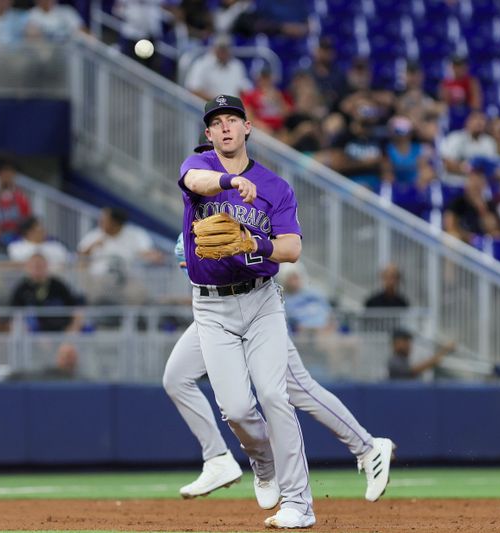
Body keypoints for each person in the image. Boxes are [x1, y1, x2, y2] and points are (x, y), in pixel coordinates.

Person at [165, 233, 394, 503]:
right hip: (214, 314)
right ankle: (217, 459)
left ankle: (367, 447)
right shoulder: (206, 209)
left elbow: (272, 247)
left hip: (257, 311)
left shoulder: (251, 208)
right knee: (176, 378)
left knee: (299, 390)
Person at [178, 94, 313, 528]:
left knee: (275, 395)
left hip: (260, 301)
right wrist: (229, 185)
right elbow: (196, 183)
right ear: (208, 134)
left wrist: (256, 243)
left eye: (232, 119)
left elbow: (291, 248)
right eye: (216, 122)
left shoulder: (276, 187)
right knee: (236, 408)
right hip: (212, 307)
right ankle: (263, 463)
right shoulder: (196, 168)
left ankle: (298, 504)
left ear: (248, 127)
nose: (225, 127)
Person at [10, 253, 83, 333]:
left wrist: (70, 332)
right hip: (32, 335)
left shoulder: (58, 285)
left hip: (60, 331)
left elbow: (75, 308)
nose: (36, 269)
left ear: (46, 266)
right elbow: (14, 314)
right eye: (33, 266)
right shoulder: (22, 288)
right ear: (27, 267)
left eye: (40, 266)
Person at [78, 207, 161, 276]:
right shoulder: (95, 235)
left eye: (104, 220)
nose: (100, 222)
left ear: (115, 222)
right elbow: (80, 255)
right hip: (99, 280)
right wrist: (93, 246)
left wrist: (153, 256)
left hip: (127, 280)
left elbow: (148, 253)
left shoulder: (135, 235)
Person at [183, 35, 251, 101]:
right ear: (214, 47)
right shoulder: (201, 64)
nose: (223, 51)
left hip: (234, 109)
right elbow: (193, 89)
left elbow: (246, 89)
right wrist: (219, 102)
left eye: (226, 47)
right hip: (207, 109)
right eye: (221, 47)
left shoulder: (237, 65)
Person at [440, 110, 498, 184]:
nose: (479, 122)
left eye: (482, 120)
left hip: (479, 186)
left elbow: (492, 166)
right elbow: (447, 164)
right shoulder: (456, 137)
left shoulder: (489, 142)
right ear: (468, 122)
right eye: (475, 119)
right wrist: (468, 168)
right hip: (455, 183)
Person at [443, 168, 496, 241]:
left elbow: (492, 228)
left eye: (479, 182)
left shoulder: (488, 204)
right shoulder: (458, 202)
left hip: (481, 241)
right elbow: (449, 225)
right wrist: (467, 236)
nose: (475, 185)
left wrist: (482, 209)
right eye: (473, 181)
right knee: (452, 238)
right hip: (462, 239)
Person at [388, 328, 456, 380]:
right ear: (397, 343)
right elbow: (412, 371)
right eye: (406, 342)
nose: (409, 346)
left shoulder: (404, 360)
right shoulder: (394, 361)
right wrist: (444, 351)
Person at [241, 67, 293, 134]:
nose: (265, 81)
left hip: (279, 128)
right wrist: (261, 125)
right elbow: (248, 116)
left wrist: (278, 100)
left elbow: (288, 114)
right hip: (262, 128)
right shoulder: (251, 95)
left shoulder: (279, 94)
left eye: (267, 78)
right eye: (263, 78)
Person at [381, 116, 427, 186]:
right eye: (397, 132)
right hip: (395, 188)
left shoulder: (419, 149)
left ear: (410, 133)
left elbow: (423, 171)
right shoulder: (388, 149)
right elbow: (387, 174)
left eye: (403, 132)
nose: (401, 136)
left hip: (415, 187)